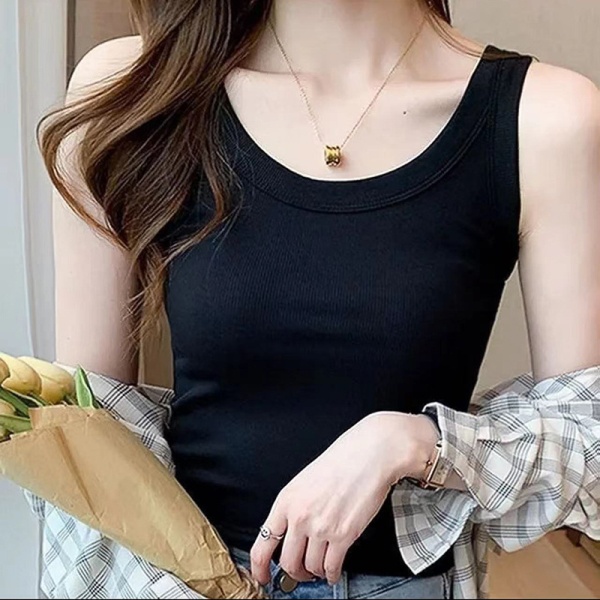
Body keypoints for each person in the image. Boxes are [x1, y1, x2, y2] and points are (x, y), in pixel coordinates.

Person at [42, 0, 599, 598]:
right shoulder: (135, 87)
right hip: (175, 580)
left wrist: (416, 443)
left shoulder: (544, 117)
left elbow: (589, 443)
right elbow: (82, 435)